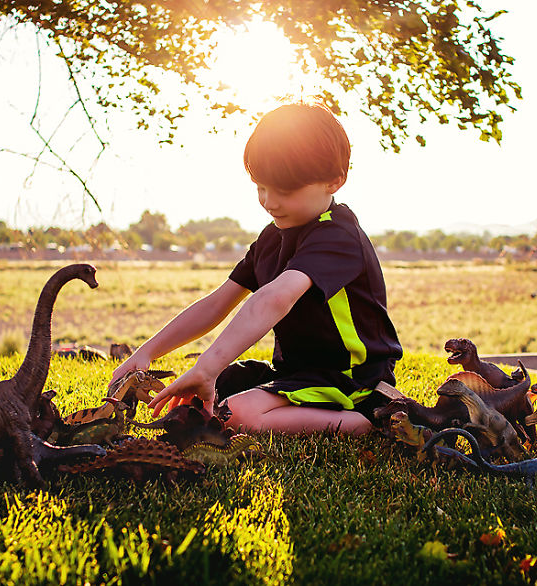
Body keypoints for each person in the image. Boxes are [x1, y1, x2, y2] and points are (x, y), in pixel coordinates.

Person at [109, 103, 402, 435]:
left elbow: (275, 298)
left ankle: (374, 421)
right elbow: (217, 303)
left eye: (285, 190)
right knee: (202, 403)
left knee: (236, 416)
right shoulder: (272, 238)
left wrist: (208, 365)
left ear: (335, 181)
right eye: (261, 187)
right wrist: (147, 351)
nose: (269, 201)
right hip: (296, 374)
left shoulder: (338, 235)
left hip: (353, 380)